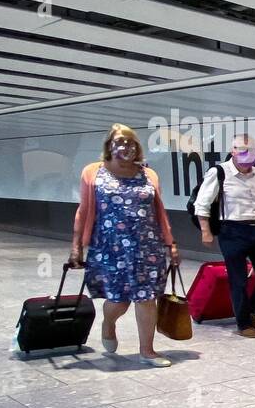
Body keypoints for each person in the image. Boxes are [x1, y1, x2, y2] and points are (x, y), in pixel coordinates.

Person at [68, 124, 180, 367]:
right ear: (109, 146)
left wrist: (170, 244)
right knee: (119, 300)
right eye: (120, 142)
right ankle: (109, 324)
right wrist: (76, 245)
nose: (126, 147)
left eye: (131, 143)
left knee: (147, 297)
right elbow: (83, 210)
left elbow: (159, 212)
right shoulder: (93, 172)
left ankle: (147, 351)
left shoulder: (148, 174)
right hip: (110, 248)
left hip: (147, 247)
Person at [193, 133, 255, 338]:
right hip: (231, 231)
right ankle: (243, 324)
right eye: (242, 150)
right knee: (238, 280)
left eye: (251, 151)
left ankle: (250, 310)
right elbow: (202, 203)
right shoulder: (219, 172)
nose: (247, 154)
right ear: (233, 151)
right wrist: (206, 231)